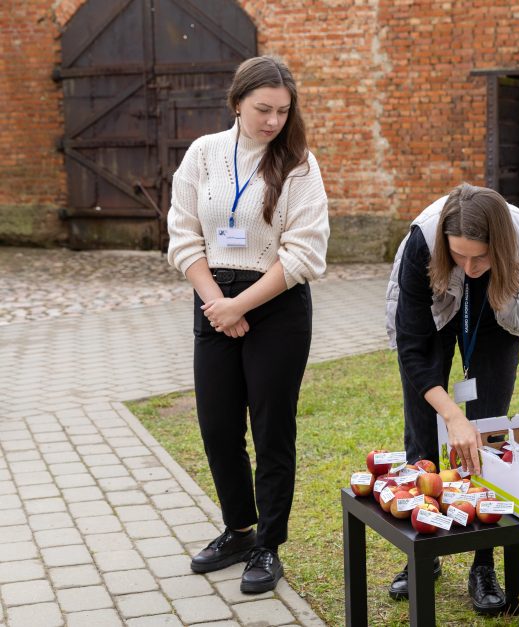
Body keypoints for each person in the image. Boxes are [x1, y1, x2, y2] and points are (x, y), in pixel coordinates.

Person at [386, 183, 519, 614]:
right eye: (459, 256)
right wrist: (450, 414)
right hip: (433, 310)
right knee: (424, 435)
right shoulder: (422, 244)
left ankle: (483, 563)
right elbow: (412, 345)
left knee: (488, 436)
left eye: (478, 256)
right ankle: (423, 553)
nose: (468, 266)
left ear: (498, 247)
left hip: (493, 313)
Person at [166, 55, 329, 593]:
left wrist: (242, 306)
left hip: (277, 303)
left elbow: (305, 252)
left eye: (284, 111)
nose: (274, 121)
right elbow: (184, 236)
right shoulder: (204, 154)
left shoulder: (300, 163)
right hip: (214, 298)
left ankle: (268, 546)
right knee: (216, 425)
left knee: (271, 429)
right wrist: (218, 303)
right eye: (263, 109)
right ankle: (238, 529)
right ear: (237, 103)